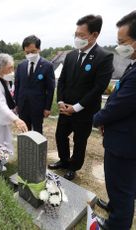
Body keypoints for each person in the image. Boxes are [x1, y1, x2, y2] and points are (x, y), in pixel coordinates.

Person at [48, 15, 114, 180]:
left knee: (80, 141)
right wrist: (61, 102)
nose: (78, 38)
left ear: (94, 35)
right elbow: (62, 80)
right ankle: (63, 161)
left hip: (84, 111)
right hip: (65, 108)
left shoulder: (104, 57)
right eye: (76, 34)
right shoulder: (70, 56)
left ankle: (73, 166)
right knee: (60, 135)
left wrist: (76, 107)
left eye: (82, 35)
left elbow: (98, 88)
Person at [93, 10, 136, 230]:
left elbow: (121, 105)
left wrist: (98, 118)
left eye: (123, 42)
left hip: (125, 144)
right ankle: (115, 208)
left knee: (122, 187)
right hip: (122, 137)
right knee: (120, 186)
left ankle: (116, 224)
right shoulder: (133, 64)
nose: (119, 46)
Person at [14, 35, 55, 134]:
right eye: (27, 52)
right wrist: (16, 104)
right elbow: (17, 85)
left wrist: (47, 108)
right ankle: (25, 149)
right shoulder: (21, 65)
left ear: (39, 49)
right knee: (24, 132)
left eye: (33, 51)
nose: (30, 54)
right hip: (23, 105)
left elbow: (50, 89)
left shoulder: (47, 66)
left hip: (38, 106)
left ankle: (38, 150)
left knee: (37, 132)